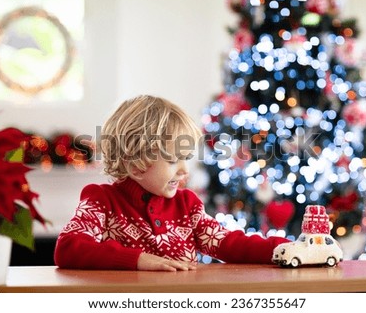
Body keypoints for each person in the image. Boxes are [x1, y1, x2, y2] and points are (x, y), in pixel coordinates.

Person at [54, 95, 289, 271]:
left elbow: (229, 243)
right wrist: (137, 259)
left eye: (186, 158)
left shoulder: (187, 205)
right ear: (135, 164)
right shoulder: (101, 201)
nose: (184, 170)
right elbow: (68, 248)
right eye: (173, 159)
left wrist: (283, 248)